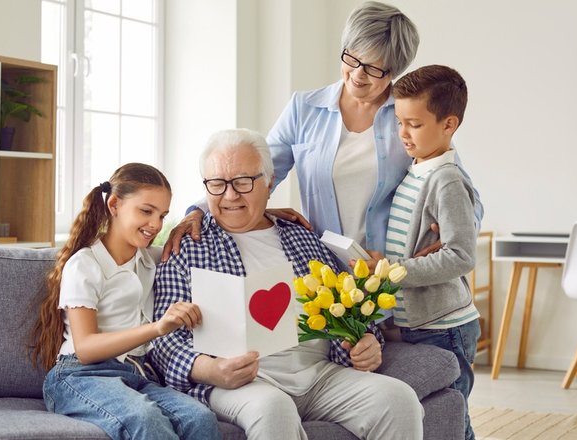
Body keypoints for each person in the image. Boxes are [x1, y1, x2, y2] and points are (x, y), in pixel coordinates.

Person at [163, 0, 483, 270]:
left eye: (374, 68)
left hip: (389, 270)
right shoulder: (304, 108)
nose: (357, 75)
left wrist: (456, 231)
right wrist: (199, 209)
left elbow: (456, 184)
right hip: (327, 271)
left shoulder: (408, 118)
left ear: (394, 70)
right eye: (352, 59)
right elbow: (258, 173)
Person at [150, 129, 423, 440]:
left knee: (398, 400)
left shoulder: (302, 235)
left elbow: (349, 306)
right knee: (274, 408)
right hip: (244, 383)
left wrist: (367, 342)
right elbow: (163, 341)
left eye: (243, 181)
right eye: (217, 184)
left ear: (269, 182)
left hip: (320, 375)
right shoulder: (187, 247)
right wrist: (210, 371)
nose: (229, 195)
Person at [28, 163, 221, 440]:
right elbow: (85, 348)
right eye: (146, 211)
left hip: (135, 375)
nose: (155, 225)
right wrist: (157, 327)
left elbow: (215, 225)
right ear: (114, 204)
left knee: (199, 418)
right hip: (81, 376)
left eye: (162, 215)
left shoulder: (151, 259)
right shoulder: (85, 265)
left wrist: (267, 214)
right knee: (145, 419)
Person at [364, 64, 480, 440]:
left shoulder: (445, 179)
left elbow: (461, 255)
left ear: (449, 124)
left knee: (453, 415)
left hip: (445, 325)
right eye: (399, 122)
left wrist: (392, 269)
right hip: (419, 321)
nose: (403, 133)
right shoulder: (417, 168)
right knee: (436, 414)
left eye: (414, 124)